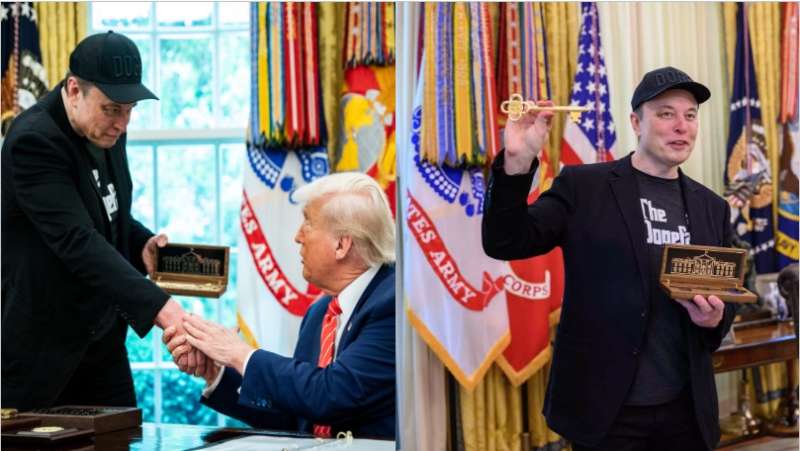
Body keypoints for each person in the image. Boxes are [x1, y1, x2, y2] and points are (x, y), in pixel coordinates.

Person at [482, 66, 738, 450]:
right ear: (636, 122)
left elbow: (728, 292)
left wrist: (715, 318)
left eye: (690, 115)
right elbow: (506, 242)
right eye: (666, 114)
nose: (681, 126)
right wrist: (517, 164)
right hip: (605, 412)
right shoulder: (584, 187)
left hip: (685, 411)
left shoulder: (712, 207)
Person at [1, 31, 203, 410]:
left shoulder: (108, 130)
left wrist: (140, 244)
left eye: (130, 110)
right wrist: (165, 310)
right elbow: (77, 240)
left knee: (124, 434)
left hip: (103, 343)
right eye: (112, 109)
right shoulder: (33, 142)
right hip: (43, 352)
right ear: (74, 89)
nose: (122, 123)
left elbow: (109, 215)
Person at [164, 172, 396, 439]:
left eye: (308, 223)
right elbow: (297, 415)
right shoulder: (320, 313)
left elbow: (332, 395)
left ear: (341, 245)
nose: (298, 236)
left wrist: (239, 353)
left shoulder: (392, 305)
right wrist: (218, 373)